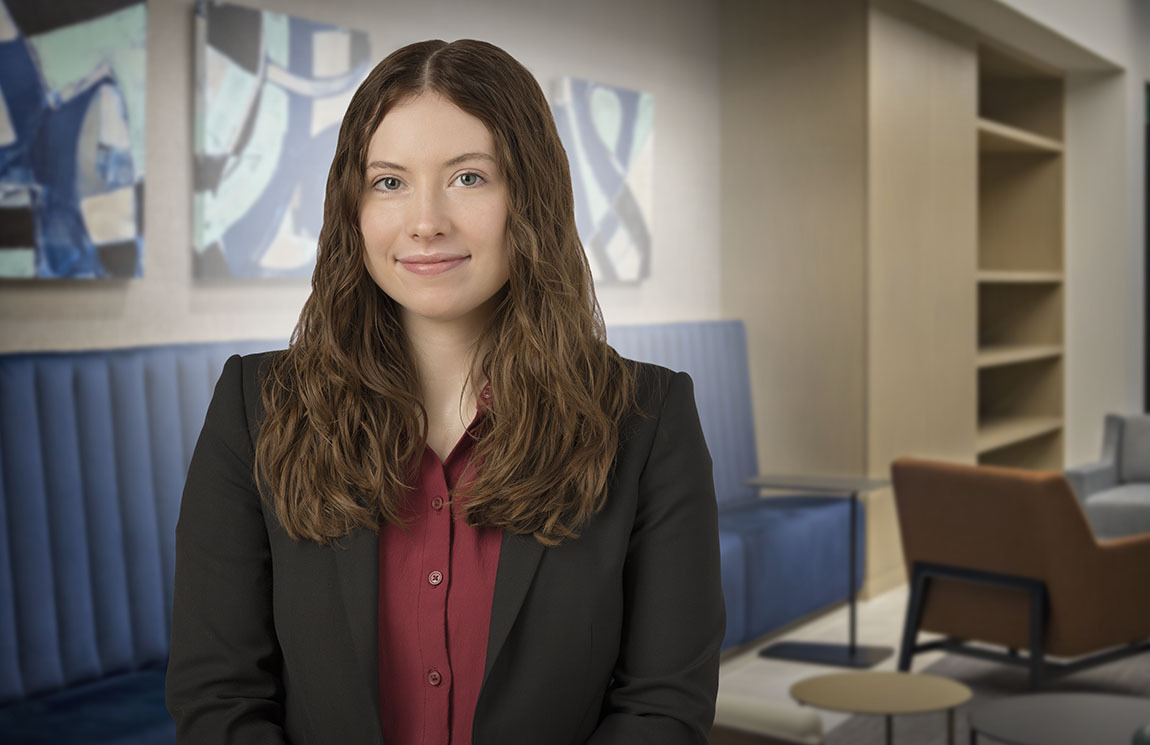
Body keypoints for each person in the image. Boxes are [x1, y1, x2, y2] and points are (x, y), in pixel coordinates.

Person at [165, 38, 724, 745]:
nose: (424, 221)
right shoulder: (256, 406)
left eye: (467, 178)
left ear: (531, 196)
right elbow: (218, 696)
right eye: (389, 182)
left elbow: (662, 709)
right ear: (354, 207)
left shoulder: (650, 422)